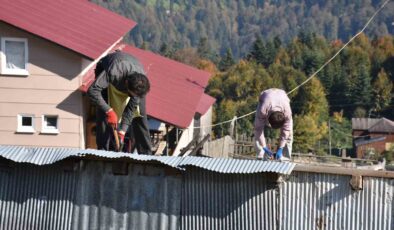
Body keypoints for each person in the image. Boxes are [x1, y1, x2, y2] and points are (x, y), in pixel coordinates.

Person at [88, 51, 152, 154]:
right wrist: (109, 111)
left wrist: (122, 130)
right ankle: (103, 152)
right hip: (107, 68)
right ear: (126, 84)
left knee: (140, 114)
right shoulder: (114, 72)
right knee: (103, 112)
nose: (132, 97)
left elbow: (131, 109)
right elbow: (92, 91)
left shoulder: (141, 84)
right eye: (131, 95)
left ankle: (146, 155)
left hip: (130, 71)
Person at [254, 88, 293, 161]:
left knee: (289, 133)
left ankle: (284, 156)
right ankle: (261, 154)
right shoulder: (263, 110)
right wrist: (264, 147)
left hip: (282, 98)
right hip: (265, 99)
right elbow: (258, 129)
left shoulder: (287, 113)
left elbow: (286, 131)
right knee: (257, 128)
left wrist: (281, 147)